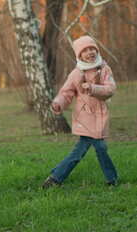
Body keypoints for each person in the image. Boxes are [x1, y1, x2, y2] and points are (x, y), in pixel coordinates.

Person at [42, 35, 118, 188]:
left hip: (100, 117)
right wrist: (58, 103)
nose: (90, 52)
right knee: (96, 148)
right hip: (84, 118)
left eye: (92, 49)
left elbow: (110, 89)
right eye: (85, 50)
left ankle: (56, 176)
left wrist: (93, 88)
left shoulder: (103, 69)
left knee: (86, 150)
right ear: (79, 55)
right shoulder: (77, 73)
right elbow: (66, 93)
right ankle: (111, 179)